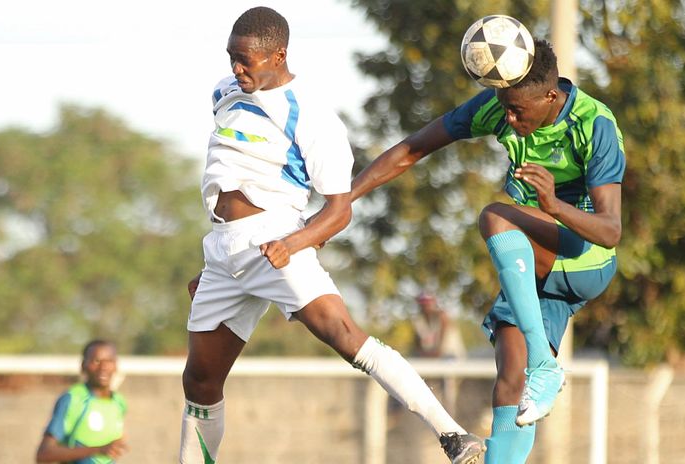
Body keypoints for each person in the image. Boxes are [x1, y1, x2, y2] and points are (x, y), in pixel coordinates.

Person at [179, 7, 485, 464]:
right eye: (231, 58)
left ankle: (454, 436)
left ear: (278, 54)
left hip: (274, 240)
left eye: (246, 60)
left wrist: (293, 243)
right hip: (222, 250)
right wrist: (220, 258)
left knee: (343, 335)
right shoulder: (225, 92)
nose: (236, 69)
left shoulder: (312, 118)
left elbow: (339, 212)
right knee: (199, 381)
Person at [350, 37, 624, 463]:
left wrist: (553, 205)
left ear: (551, 95)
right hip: (536, 273)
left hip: (585, 258)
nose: (509, 118)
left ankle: (546, 368)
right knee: (511, 383)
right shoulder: (497, 107)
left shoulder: (595, 123)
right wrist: (343, 201)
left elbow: (610, 231)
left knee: (496, 217)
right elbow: (411, 149)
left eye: (519, 110)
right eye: (504, 106)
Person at [36, 340, 128, 464]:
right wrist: (98, 450)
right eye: (96, 361)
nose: (103, 367)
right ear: (83, 365)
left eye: (109, 361)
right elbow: (44, 454)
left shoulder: (119, 403)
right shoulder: (72, 399)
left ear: (116, 366)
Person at [412, 291, 466, 360]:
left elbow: (440, 349)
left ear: (433, 303)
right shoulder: (419, 321)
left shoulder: (442, 317)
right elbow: (418, 345)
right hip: (432, 355)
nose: (425, 306)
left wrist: (430, 354)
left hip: (451, 355)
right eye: (423, 303)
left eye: (428, 302)